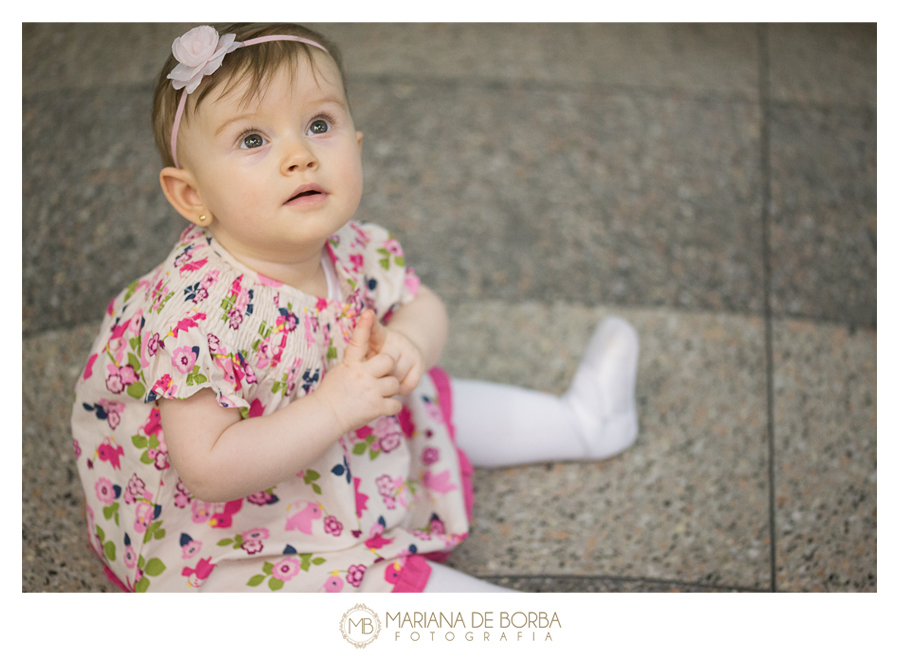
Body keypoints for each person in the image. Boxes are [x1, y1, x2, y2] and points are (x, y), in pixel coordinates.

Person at [70, 23, 640, 593]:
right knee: (379, 595)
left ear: (357, 145)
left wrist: (410, 342)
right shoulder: (197, 317)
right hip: (243, 529)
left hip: (346, 424)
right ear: (192, 196)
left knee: (423, 395)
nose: (299, 156)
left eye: (319, 125)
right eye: (252, 139)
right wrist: (333, 410)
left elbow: (421, 303)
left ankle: (584, 423)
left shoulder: (350, 247)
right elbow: (208, 468)